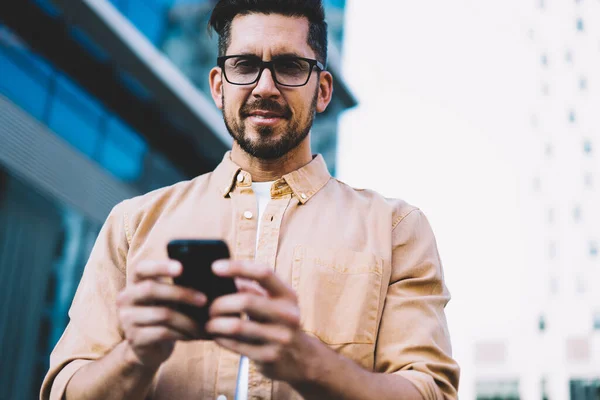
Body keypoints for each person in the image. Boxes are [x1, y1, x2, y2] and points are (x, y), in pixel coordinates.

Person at [40, 1, 460, 399]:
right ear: (218, 86)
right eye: (244, 65)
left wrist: (305, 360)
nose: (264, 87)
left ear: (324, 90)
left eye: (289, 66)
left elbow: (431, 392)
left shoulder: (395, 229)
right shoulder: (133, 224)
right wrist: (135, 356)